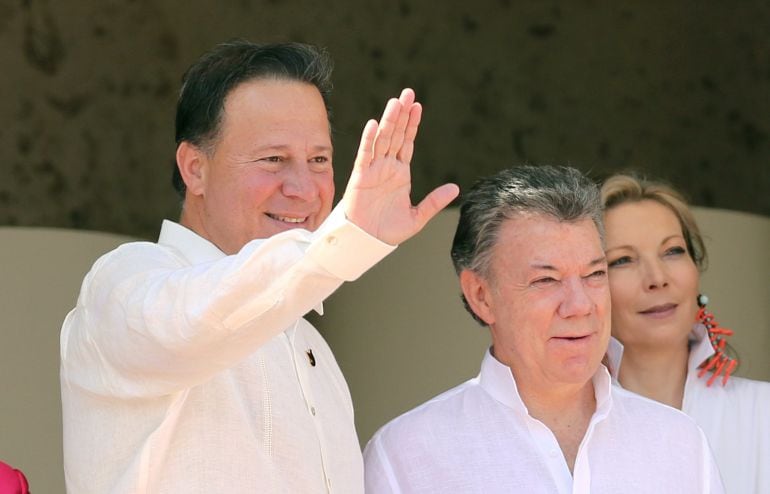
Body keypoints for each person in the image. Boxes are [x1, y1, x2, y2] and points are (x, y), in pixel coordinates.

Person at [59, 40, 458, 493]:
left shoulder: (311, 346)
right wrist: (348, 240)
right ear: (195, 169)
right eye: (274, 159)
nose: (304, 189)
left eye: (319, 160)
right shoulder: (124, 281)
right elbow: (197, 319)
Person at [364, 165, 724, 493]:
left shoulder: (679, 442)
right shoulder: (406, 455)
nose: (580, 305)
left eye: (595, 274)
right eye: (547, 280)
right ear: (481, 296)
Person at [601, 173, 770, 493]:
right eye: (622, 260)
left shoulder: (763, 415)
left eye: (673, 251)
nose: (656, 278)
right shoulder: (564, 430)